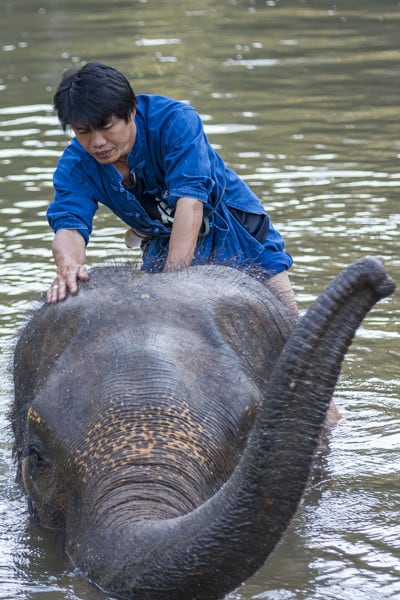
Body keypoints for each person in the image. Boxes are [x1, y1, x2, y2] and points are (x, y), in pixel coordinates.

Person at [46, 61, 298, 315]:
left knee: (291, 329)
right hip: (163, 240)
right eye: (83, 131)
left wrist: (169, 287)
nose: (97, 142)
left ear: (131, 112)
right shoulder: (76, 164)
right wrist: (68, 264)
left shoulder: (175, 122)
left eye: (106, 126)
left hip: (233, 228)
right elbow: (69, 227)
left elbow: (191, 202)